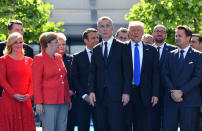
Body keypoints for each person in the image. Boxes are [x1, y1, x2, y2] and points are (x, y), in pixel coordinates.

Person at [88, 16, 131, 131]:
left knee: (116, 127)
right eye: (102, 26)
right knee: (100, 127)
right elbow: (92, 73)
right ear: (98, 29)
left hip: (117, 96)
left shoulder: (123, 47)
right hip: (99, 97)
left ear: (112, 28)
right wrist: (91, 91)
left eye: (107, 26)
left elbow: (128, 72)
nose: (105, 29)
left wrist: (126, 92)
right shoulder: (96, 49)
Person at [162, 25, 202, 131]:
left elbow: (198, 78)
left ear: (188, 38)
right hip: (171, 101)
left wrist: (181, 92)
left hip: (190, 101)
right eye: (176, 35)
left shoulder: (198, 56)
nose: (176, 38)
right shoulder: (169, 55)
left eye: (180, 36)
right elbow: (165, 75)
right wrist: (173, 92)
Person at [32, 32, 71, 131]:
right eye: (56, 42)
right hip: (48, 102)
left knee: (62, 128)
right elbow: (36, 83)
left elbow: (64, 79)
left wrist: (68, 99)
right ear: (48, 44)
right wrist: (38, 103)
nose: (59, 44)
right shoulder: (38, 58)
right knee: (50, 128)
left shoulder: (58, 57)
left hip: (63, 100)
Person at [127, 21, 159, 131]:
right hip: (126, 93)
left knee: (143, 126)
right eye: (133, 30)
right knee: (125, 125)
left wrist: (155, 94)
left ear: (143, 32)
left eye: (138, 30)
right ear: (129, 33)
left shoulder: (152, 50)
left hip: (145, 93)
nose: (136, 33)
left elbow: (155, 73)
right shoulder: (122, 48)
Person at [0, 32, 36, 131]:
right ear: (10, 44)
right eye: (16, 42)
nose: (19, 45)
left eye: (21, 42)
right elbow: (2, 80)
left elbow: (33, 80)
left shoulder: (29, 61)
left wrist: (29, 95)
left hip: (25, 100)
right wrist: (13, 94)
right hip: (9, 100)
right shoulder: (3, 60)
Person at [71, 28, 99, 131]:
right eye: (93, 38)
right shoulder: (77, 57)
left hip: (100, 99)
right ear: (85, 40)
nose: (96, 40)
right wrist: (85, 96)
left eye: (97, 37)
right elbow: (74, 78)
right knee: (83, 127)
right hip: (82, 100)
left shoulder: (104, 55)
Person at [150, 24, 176, 131]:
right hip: (151, 93)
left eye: (162, 31)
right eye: (157, 31)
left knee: (168, 124)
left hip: (168, 93)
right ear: (153, 34)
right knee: (152, 123)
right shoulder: (147, 50)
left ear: (166, 35)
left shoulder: (174, 50)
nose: (159, 33)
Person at [0, 20, 34, 98]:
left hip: (24, 96)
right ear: (9, 31)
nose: (20, 32)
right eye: (17, 30)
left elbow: (31, 77)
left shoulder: (28, 49)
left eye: (21, 30)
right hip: (3, 95)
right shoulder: (0, 47)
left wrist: (29, 94)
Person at [57, 32, 76, 131]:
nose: (61, 46)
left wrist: (73, 90)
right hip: (54, 99)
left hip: (70, 98)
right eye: (59, 44)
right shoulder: (49, 59)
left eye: (63, 44)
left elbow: (76, 78)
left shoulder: (72, 59)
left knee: (69, 126)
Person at [190, 34, 202, 131]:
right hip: (192, 102)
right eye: (190, 41)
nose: (190, 44)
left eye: (193, 42)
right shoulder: (189, 58)